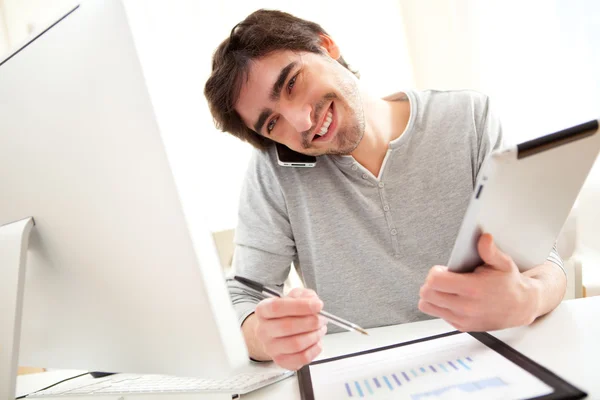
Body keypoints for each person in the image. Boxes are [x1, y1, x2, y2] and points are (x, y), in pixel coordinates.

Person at [203, 9, 567, 371]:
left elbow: (543, 263)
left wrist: (527, 298)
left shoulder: (468, 119)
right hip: (368, 377)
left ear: (326, 46)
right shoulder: (275, 172)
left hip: (485, 359)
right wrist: (262, 336)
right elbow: (243, 296)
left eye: (293, 83)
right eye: (272, 122)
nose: (301, 122)